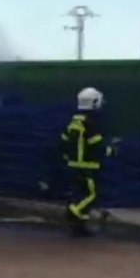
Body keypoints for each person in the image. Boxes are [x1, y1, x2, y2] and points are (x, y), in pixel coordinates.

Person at [59, 87, 116, 238]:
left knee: (80, 194)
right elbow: (97, 145)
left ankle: (79, 227)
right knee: (92, 195)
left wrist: (66, 157)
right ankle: (73, 212)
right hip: (89, 166)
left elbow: (63, 141)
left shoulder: (73, 121)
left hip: (73, 165)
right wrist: (111, 150)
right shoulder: (92, 123)